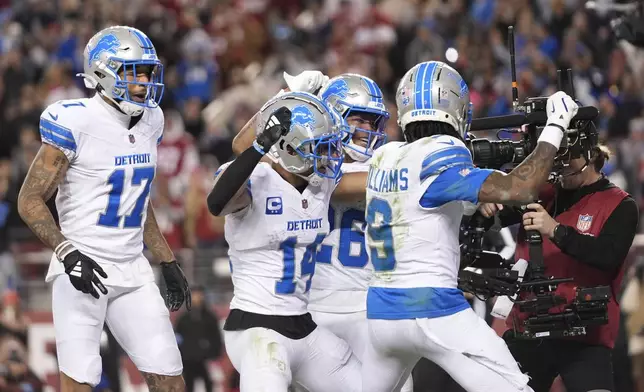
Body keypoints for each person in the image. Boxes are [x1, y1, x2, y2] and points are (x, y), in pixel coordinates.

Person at [361, 60, 578, 392]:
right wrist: (555, 126)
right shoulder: (441, 151)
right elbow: (520, 189)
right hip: (432, 310)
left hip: (380, 315)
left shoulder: (385, 156)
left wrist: (472, 198)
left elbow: (423, 201)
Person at [16, 26, 191, 391]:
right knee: (79, 384)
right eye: (133, 72)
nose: (143, 81)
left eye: (147, 72)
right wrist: (68, 253)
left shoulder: (152, 121)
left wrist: (166, 259)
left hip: (133, 268)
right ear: (101, 72)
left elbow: (138, 199)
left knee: (171, 382)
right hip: (84, 267)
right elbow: (29, 200)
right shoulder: (76, 121)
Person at [207, 91, 367, 392]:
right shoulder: (255, 179)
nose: (329, 156)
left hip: (303, 327)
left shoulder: (322, 183)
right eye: (320, 148)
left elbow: (376, 180)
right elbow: (216, 202)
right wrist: (259, 146)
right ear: (292, 150)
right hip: (257, 328)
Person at [480, 144, 638, 392]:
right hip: (530, 326)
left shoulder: (620, 204)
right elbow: (487, 219)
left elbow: (608, 256)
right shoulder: (537, 193)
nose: (560, 166)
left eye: (567, 158)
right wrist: (485, 207)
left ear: (589, 154)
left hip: (585, 334)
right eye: (556, 159)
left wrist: (556, 230)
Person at [308, 73, 414, 392]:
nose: (366, 131)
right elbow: (337, 185)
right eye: (358, 120)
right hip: (314, 306)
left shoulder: (386, 162)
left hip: (367, 306)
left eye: (372, 123)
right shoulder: (308, 164)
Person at [175, 286, 223, 392]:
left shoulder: (210, 317)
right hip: (188, 359)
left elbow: (216, 337)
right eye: (194, 295)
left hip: (206, 359)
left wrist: (214, 354)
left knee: (209, 383)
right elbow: (177, 338)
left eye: (199, 295)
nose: (196, 298)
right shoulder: (183, 319)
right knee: (189, 384)